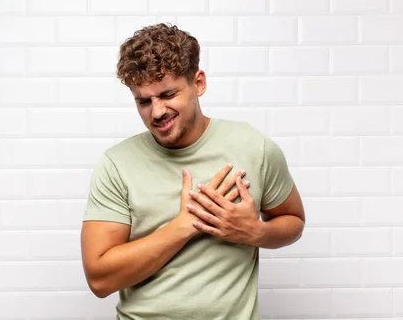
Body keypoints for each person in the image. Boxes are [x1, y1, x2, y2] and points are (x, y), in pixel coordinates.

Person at [81, 23, 305, 320]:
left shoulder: (254, 148)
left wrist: (256, 232)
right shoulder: (117, 164)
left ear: (198, 83)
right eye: (143, 101)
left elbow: (293, 220)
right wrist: (184, 225)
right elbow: (100, 280)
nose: (157, 112)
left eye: (168, 94)